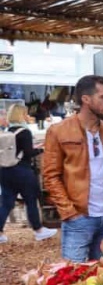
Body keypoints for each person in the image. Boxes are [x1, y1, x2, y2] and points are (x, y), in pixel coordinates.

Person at [42, 75, 103, 262]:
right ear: (86, 99)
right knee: (73, 277)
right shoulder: (59, 131)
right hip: (79, 217)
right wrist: (69, 212)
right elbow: (50, 176)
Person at [0, 104, 57, 243]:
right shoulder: (24, 132)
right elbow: (29, 153)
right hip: (22, 170)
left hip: (5, 170)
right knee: (31, 199)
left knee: (7, 202)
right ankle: (38, 230)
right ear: (22, 115)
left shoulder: (8, 131)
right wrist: (41, 150)